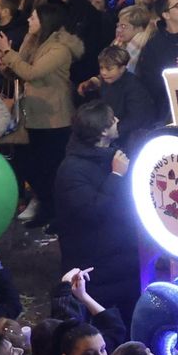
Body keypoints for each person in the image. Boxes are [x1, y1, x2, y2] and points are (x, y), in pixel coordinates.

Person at [0, 1, 85, 227]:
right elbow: (20, 72)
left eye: (33, 17)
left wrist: (7, 51)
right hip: (33, 115)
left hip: (54, 119)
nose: (29, 21)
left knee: (50, 169)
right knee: (30, 165)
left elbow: (33, 73)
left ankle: (58, 216)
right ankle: (47, 209)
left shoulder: (59, 48)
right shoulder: (36, 42)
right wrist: (6, 66)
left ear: (46, 21)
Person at [52, 101, 139, 320]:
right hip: (96, 266)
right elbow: (93, 212)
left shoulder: (113, 156)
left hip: (121, 258)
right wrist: (116, 176)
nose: (118, 120)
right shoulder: (72, 170)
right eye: (112, 120)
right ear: (102, 131)